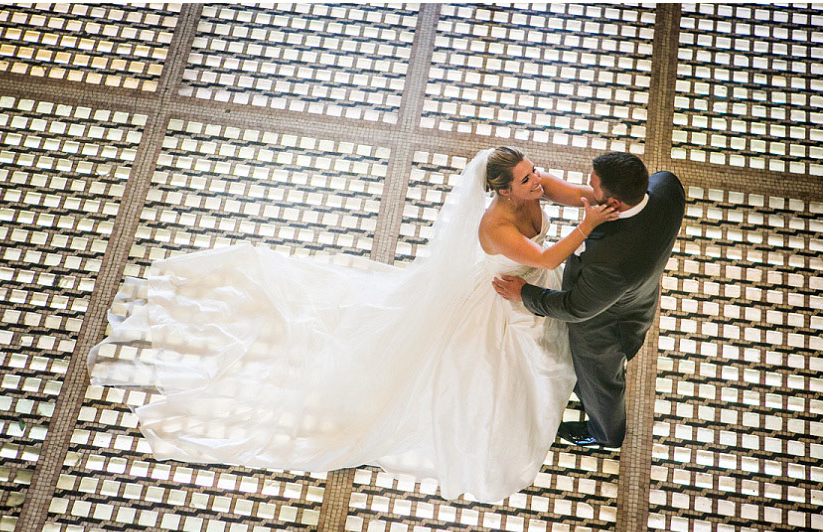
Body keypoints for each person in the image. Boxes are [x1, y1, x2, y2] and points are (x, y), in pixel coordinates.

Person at [87, 148, 617, 503]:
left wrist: (595, 201)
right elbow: (546, 262)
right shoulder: (496, 226)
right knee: (477, 371)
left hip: (525, 291)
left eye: (532, 172)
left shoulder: (532, 185)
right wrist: (589, 226)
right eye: (526, 179)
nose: (537, 181)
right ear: (502, 191)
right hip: (501, 298)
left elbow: (569, 192)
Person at [492, 152, 685, 448]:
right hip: (639, 294)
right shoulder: (667, 187)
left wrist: (524, 293)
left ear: (614, 204)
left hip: (606, 326)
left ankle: (606, 434)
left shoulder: (611, 262)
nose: (588, 191)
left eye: (594, 188)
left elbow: (574, 307)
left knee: (600, 384)